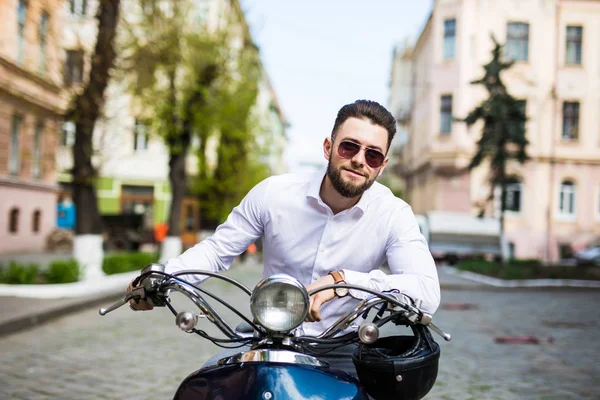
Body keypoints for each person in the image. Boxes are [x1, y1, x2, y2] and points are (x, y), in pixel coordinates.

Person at [129, 99, 440, 375]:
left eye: (373, 155)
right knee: (208, 388)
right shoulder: (274, 193)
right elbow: (215, 251)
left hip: (342, 347)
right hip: (263, 336)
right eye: (349, 147)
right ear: (328, 148)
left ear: (382, 166)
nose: (359, 159)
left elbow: (426, 291)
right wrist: (161, 276)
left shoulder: (393, 214)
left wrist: (345, 283)